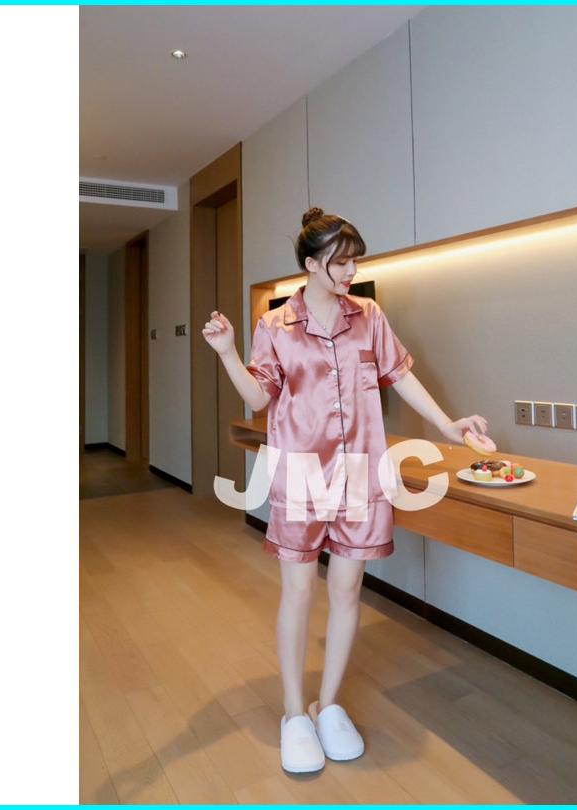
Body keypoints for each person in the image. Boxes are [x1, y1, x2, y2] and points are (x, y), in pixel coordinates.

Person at [202, 208, 488, 773]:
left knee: (348, 590)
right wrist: (228, 353)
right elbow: (258, 399)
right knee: (299, 594)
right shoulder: (275, 326)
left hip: (360, 469)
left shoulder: (369, 316)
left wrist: (446, 424)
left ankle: (328, 704)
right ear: (311, 264)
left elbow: (399, 374)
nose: (352, 271)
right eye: (341, 263)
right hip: (302, 473)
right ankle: (294, 713)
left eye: (356, 260)